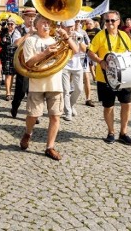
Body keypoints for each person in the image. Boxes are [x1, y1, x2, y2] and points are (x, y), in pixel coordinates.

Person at [19, 13, 79, 160]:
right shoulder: (31, 41)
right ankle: (28, 132)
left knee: (55, 116)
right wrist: (45, 53)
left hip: (55, 83)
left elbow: (76, 51)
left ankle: (50, 147)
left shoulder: (56, 40)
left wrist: (66, 36)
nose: (47, 25)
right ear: (36, 25)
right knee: (33, 115)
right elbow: (29, 63)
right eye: (43, 22)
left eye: (48, 23)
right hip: (37, 83)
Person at [87, 10, 131, 145]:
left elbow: (130, 53)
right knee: (108, 106)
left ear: (119, 22)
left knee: (127, 104)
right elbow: (90, 52)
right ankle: (111, 132)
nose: (109, 23)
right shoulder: (100, 35)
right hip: (105, 78)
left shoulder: (124, 35)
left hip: (124, 77)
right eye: (107, 20)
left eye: (112, 20)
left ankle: (123, 132)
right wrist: (100, 61)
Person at [11, 8, 38, 117]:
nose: (31, 19)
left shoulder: (38, 29)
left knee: (33, 91)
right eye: (29, 16)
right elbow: (16, 43)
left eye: (33, 16)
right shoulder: (18, 29)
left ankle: (33, 114)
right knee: (21, 90)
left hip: (35, 63)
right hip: (22, 63)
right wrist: (29, 34)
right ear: (24, 17)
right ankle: (15, 106)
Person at [61, 19, 88, 121]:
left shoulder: (77, 34)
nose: (71, 29)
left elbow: (84, 50)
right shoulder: (61, 36)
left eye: (72, 26)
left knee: (79, 89)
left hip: (77, 66)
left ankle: (71, 105)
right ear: (64, 28)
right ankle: (67, 112)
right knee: (66, 90)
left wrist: (79, 41)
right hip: (65, 66)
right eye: (68, 27)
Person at [82, 18, 100, 107]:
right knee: (90, 67)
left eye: (90, 23)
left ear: (93, 23)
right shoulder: (84, 31)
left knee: (94, 66)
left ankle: (88, 98)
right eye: (87, 23)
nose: (88, 25)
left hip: (94, 52)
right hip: (85, 53)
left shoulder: (97, 30)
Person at [0, 18, 17, 101]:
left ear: (15, 25)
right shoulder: (4, 33)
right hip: (6, 56)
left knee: (12, 74)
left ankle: (9, 91)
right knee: (8, 75)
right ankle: (8, 93)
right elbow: (0, 44)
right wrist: (3, 40)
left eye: (12, 24)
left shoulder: (17, 33)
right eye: (9, 24)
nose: (10, 26)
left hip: (14, 56)